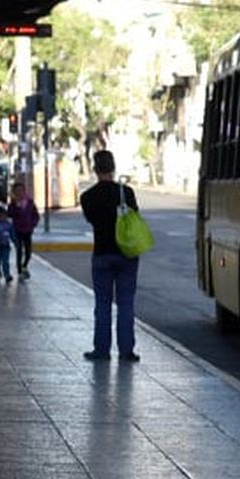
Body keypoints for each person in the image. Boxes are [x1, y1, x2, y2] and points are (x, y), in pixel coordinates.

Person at [79, 150, 141, 363]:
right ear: (113, 167)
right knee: (126, 303)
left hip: (102, 254)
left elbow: (91, 220)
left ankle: (101, 350)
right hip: (127, 254)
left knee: (102, 304)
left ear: (95, 169)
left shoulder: (87, 197)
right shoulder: (127, 192)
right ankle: (126, 351)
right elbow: (135, 217)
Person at [8, 181, 40, 280]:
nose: (19, 193)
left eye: (21, 190)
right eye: (17, 191)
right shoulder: (13, 203)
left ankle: (24, 265)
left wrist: (33, 224)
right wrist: (16, 206)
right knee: (19, 251)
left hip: (28, 230)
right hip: (17, 230)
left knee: (28, 251)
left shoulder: (30, 202)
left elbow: (35, 215)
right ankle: (20, 270)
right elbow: (9, 214)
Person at [0, 206, 15, 283]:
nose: (1, 217)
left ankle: (7, 275)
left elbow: (12, 234)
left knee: (5, 261)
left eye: (3, 215)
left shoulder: (8, 225)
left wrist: (15, 241)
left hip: (5, 246)